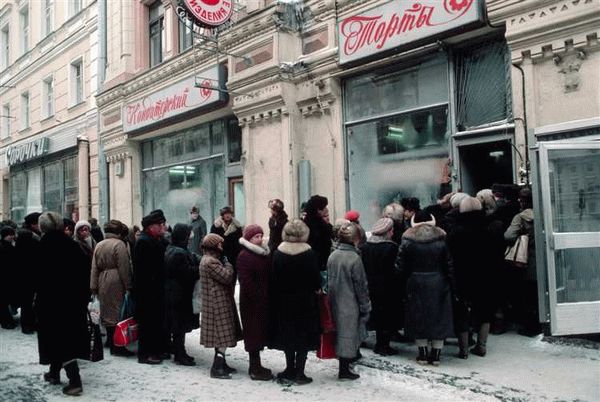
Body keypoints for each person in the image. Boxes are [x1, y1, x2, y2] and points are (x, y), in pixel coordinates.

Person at [35, 212, 89, 396]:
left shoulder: (41, 247)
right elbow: (84, 274)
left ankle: (75, 381)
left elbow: (35, 278)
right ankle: (53, 373)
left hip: (50, 303)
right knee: (63, 338)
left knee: (59, 340)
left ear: (42, 227)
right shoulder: (72, 246)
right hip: (73, 302)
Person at [396, 211, 454, 366]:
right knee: (439, 317)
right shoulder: (442, 239)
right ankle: (436, 354)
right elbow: (449, 265)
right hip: (439, 282)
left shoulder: (407, 241)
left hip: (415, 282)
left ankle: (422, 353)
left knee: (418, 317)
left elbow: (400, 267)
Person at [271, 219, 321, 385]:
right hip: (305, 301)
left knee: (288, 334)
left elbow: (274, 278)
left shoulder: (278, 253)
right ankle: (300, 371)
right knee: (303, 335)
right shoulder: (309, 253)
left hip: (283, 301)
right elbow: (315, 279)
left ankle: (289, 369)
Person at [447, 197, 494, 358]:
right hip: (485, 276)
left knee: (461, 312)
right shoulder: (488, 229)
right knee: (484, 310)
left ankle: (464, 350)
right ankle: (482, 346)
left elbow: (451, 257)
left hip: (463, 276)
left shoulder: (456, 232)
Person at [327, 222, 371, 380]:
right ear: (355, 239)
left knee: (340, 333)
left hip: (334, 299)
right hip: (350, 302)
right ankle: (344, 369)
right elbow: (361, 285)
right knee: (348, 334)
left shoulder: (333, 255)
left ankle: (344, 364)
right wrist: (366, 305)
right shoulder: (354, 258)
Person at [199, 233, 242, 379]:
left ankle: (222, 364)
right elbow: (227, 277)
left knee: (220, 336)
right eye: (219, 244)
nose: (221, 246)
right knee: (222, 337)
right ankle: (217, 368)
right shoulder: (211, 262)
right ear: (213, 245)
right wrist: (228, 264)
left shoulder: (208, 259)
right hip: (217, 303)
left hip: (215, 302)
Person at [90, 220, 134, 357]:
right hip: (116, 280)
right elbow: (124, 267)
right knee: (117, 312)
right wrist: (129, 285)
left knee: (107, 311)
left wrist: (93, 286)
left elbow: (94, 267)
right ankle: (118, 345)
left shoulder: (99, 245)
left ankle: (110, 340)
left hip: (102, 279)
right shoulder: (119, 245)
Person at [360, 217, 402, 356]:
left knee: (376, 314)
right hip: (387, 287)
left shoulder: (365, 247)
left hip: (370, 285)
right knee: (386, 316)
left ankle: (378, 343)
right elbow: (395, 268)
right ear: (389, 231)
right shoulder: (392, 247)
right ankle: (383, 345)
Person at [133, 209, 170, 365]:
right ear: (151, 227)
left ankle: (156, 350)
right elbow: (144, 271)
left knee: (156, 321)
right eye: (160, 224)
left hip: (156, 289)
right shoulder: (143, 241)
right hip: (147, 291)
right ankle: (145, 354)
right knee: (147, 323)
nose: (163, 227)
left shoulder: (157, 239)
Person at [236, 224, 272, 380]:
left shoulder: (263, 254)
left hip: (263, 300)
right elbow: (245, 281)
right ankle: (254, 368)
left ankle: (257, 365)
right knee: (253, 333)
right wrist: (258, 296)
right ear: (249, 239)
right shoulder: (244, 256)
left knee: (259, 332)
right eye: (256, 236)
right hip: (251, 302)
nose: (260, 239)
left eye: (261, 236)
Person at [504, 188, 541, 337]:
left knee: (528, 295)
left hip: (527, 260)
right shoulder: (544, 213)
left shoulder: (520, 217)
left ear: (523, 201)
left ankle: (531, 327)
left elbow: (508, 236)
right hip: (544, 260)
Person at [164, 223, 200, 366]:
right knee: (179, 327)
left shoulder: (174, 249)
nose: (190, 239)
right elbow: (186, 273)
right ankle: (180, 354)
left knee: (179, 326)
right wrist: (199, 269)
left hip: (175, 293)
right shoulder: (178, 253)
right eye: (188, 236)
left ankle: (180, 352)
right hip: (179, 295)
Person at [15, 212, 42, 334]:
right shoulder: (28, 236)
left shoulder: (28, 234)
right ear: (33, 224)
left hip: (26, 273)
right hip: (28, 274)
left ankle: (29, 323)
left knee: (29, 300)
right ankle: (27, 325)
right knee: (27, 301)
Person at [303, 195, 333, 271]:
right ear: (317, 210)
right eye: (323, 208)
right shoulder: (312, 224)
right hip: (316, 261)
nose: (325, 210)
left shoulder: (319, 222)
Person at [210, 206, 243, 271]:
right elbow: (212, 239)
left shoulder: (237, 226)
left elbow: (240, 241)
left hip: (234, 255)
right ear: (222, 215)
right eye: (225, 213)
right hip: (220, 254)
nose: (227, 215)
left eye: (229, 213)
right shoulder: (216, 226)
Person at [0, 226, 17, 329]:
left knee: (4, 300)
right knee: (3, 301)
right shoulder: (4, 247)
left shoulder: (10, 246)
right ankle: (6, 321)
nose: (12, 236)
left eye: (12, 234)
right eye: (9, 234)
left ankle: (6, 320)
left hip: (8, 277)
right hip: (4, 278)